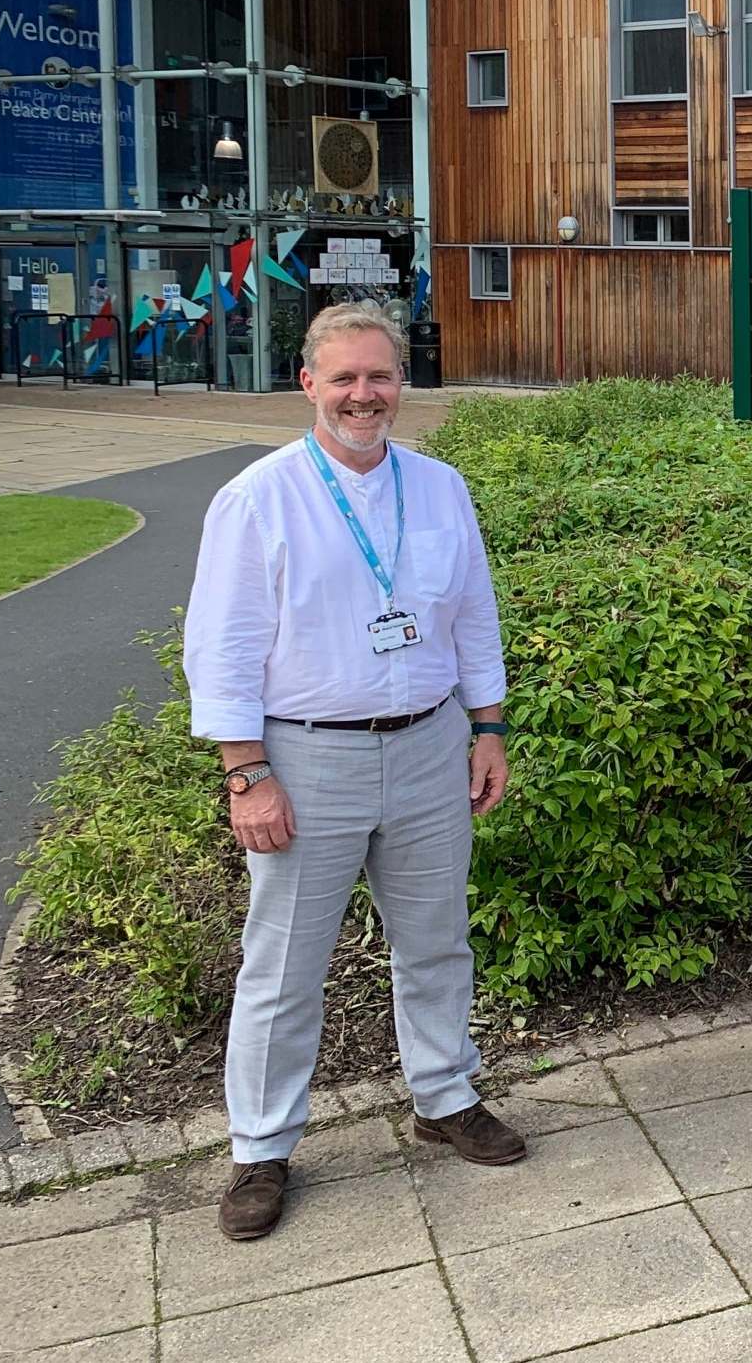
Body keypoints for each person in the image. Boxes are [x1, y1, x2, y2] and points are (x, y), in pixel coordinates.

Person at [185, 299, 526, 1242]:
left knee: (437, 942)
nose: (363, 395)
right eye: (344, 378)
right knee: (284, 966)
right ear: (308, 385)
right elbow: (223, 647)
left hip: (428, 746)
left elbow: (472, 619)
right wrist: (246, 772)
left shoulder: (441, 487)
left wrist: (488, 727)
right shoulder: (259, 497)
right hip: (306, 754)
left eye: (379, 376)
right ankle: (260, 1147)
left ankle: (444, 1096)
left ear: (400, 384)